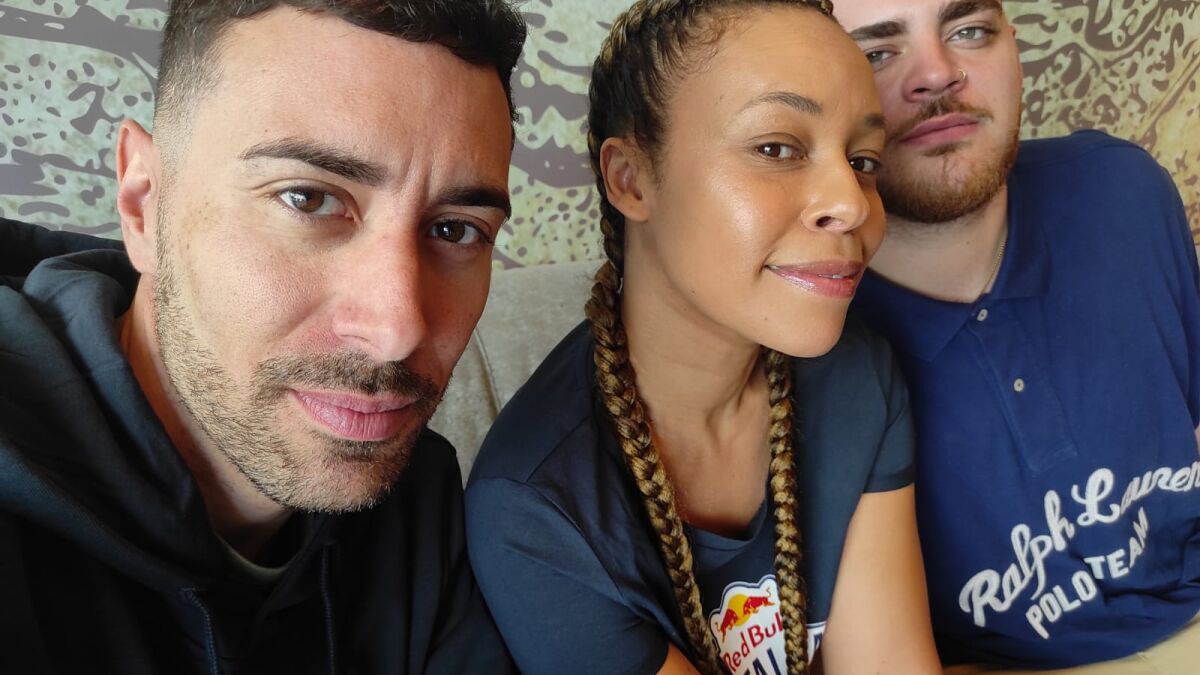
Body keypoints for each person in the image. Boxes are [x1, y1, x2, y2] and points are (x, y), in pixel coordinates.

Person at [0, 1, 525, 673]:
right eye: (308, 199)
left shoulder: (418, 503)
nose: (398, 331)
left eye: (455, 230)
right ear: (143, 202)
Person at [464, 1, 941, 673]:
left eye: (863, 159)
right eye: (776, 148)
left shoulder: (857, 376)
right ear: (631, 179)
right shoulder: (533, 507)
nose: (853, 202)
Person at [831, 0, 1200, 672]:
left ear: (1014, 46)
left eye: (969, 31)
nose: (938, 74)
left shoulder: (1123, 189)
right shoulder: (809, 332)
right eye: (876, 53)